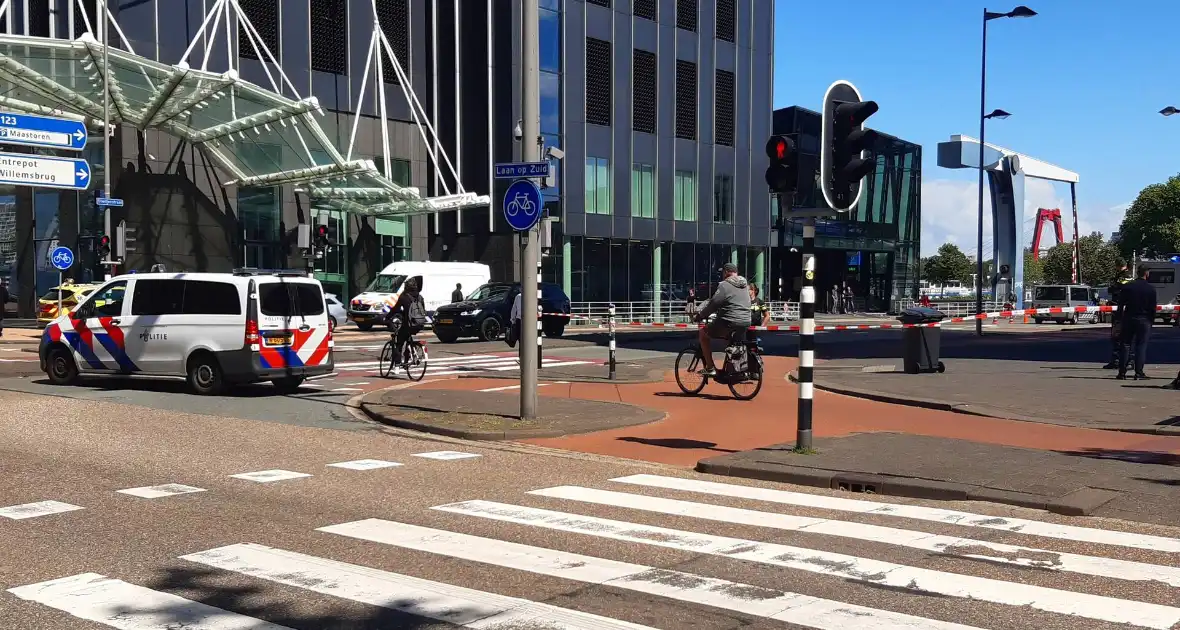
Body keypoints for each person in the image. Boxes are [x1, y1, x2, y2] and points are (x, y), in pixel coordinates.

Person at [692, 263, 751, 376]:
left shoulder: (724, 285)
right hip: (745, 321)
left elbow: (713, 303)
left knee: (703, 334)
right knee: (729, 340)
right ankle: (732, 369)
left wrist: (701, 315)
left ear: (725, 272)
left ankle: (710, 367)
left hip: (729, 321)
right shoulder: (745, 284)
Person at [1115, 265, 1156, 380]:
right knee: (1141, 346)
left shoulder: (1128, 287)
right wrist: (1151, 321)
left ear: (1137, 273)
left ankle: (1122, 372)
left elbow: (1120, 305)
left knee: (1125, 344)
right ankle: (1138, 373)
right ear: (1146, 273)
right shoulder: (1151, 289)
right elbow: (1153, 308)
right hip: (1144, 320)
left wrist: (1118, 320)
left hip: (1129, 318)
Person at [385, 277, 427, 364]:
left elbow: (395, 309)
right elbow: (423, 310)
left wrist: (388, 317)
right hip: (419, 324)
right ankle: (407, 359)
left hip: (408, 324)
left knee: (399, 342)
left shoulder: (404, 296)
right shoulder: (420, 297)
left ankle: (397, 366)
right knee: (408, 338)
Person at [1102, 277, 1131, 369]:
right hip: (1122, 315)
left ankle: (1124, 361)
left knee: (1121, 339)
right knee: (1119, 339)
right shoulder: (1127, 280)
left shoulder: (1124, 280)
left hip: (1121, 316)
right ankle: (1121, 360)